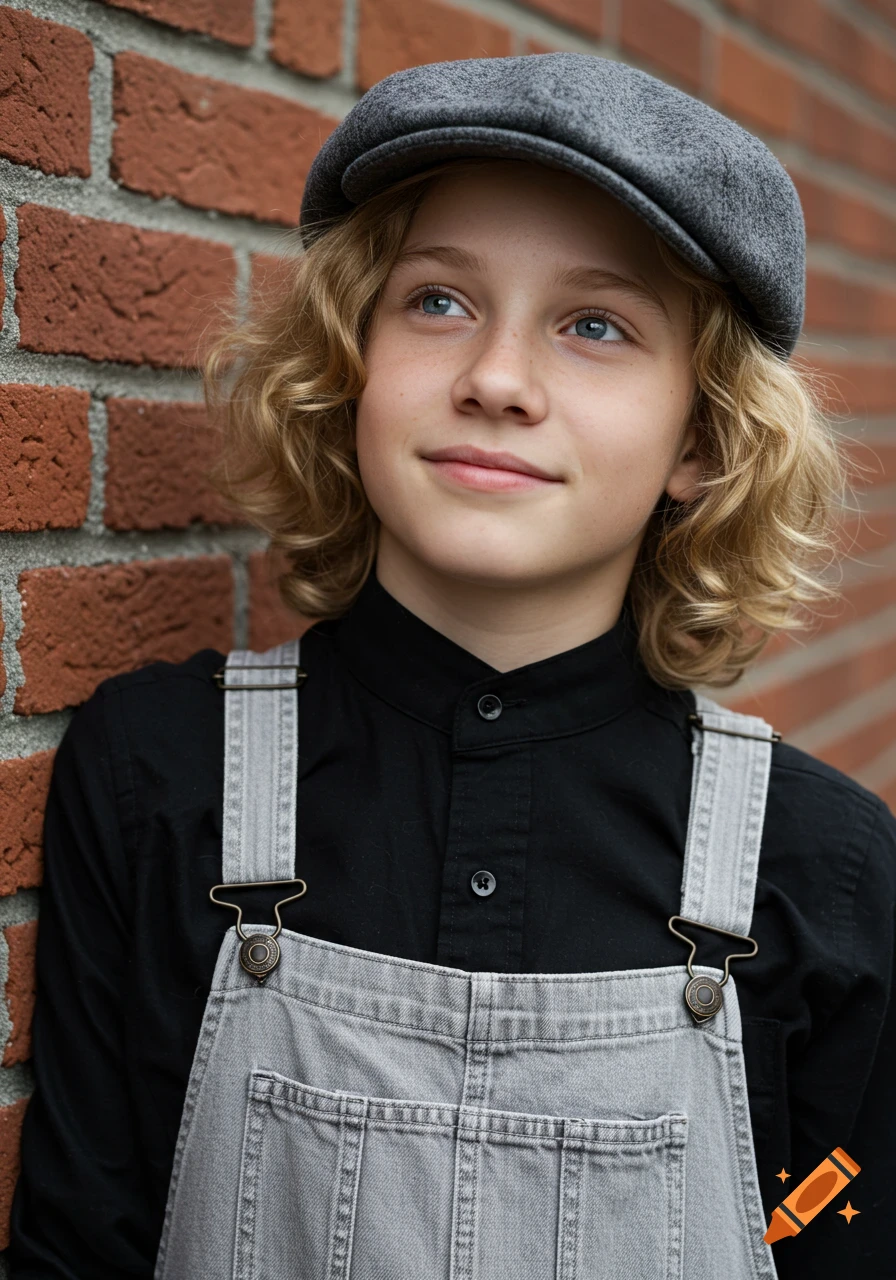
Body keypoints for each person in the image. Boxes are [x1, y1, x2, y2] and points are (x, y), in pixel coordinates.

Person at [7, 52, 895, 1279]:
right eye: (437, 301)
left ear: (701, 437)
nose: (493, 380)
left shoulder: (823, 867)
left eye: (595, 324)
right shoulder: (158, 777)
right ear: (347, 361)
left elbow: (835, 1225)